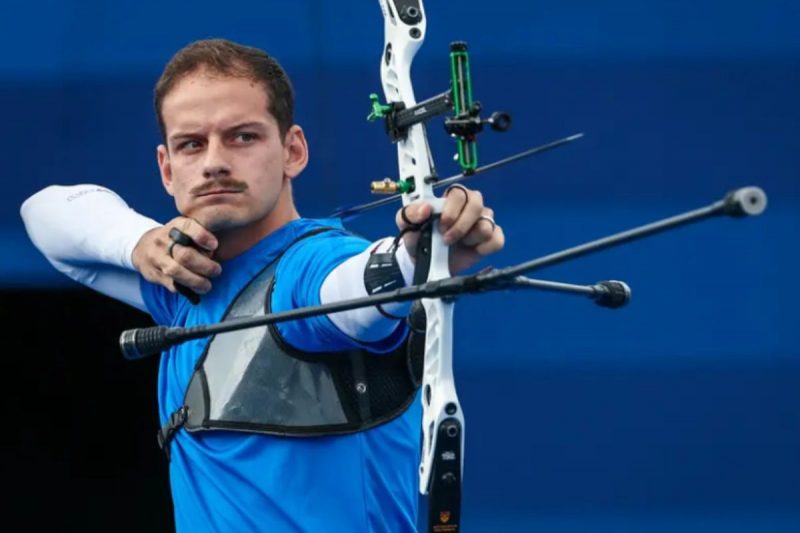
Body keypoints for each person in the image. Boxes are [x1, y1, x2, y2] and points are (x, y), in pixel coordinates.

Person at [21, 39, 504, 532]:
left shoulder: (311, 265)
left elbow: (355, 289)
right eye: (192, 144)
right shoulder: (185, 284)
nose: (214, 162)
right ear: (167, 169)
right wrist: (140, 242)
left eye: (243, 137)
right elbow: (44, 214)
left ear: (293, 150)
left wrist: (420, 254)